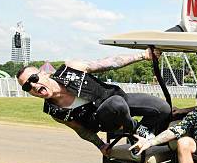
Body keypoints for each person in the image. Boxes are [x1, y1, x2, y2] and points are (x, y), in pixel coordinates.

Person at [16, 48, 171, 156]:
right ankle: (137, 130)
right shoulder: (55, 111)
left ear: (43, 73)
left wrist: (143, 55)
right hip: (103, 119)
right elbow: (81, 130)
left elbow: (107, 63)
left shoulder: (70, 69)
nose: (33, 86)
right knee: (115, 104)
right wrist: (101, 145)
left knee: (163, 108)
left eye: (33, 79)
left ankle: (138, 134)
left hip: (115, 97)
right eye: (27, 86)